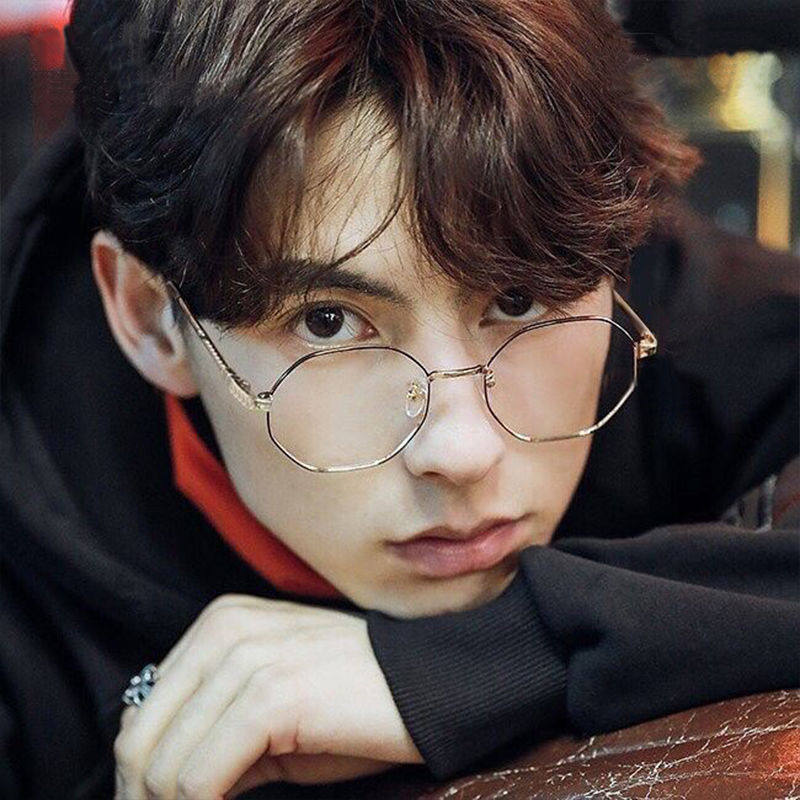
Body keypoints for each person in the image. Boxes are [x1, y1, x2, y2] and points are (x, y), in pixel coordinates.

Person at [1, 0, 798, 798]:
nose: (460, 450)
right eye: (327, 322)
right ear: (151, 320)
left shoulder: (615, 259)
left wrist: (478, 663)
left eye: (517, 299)